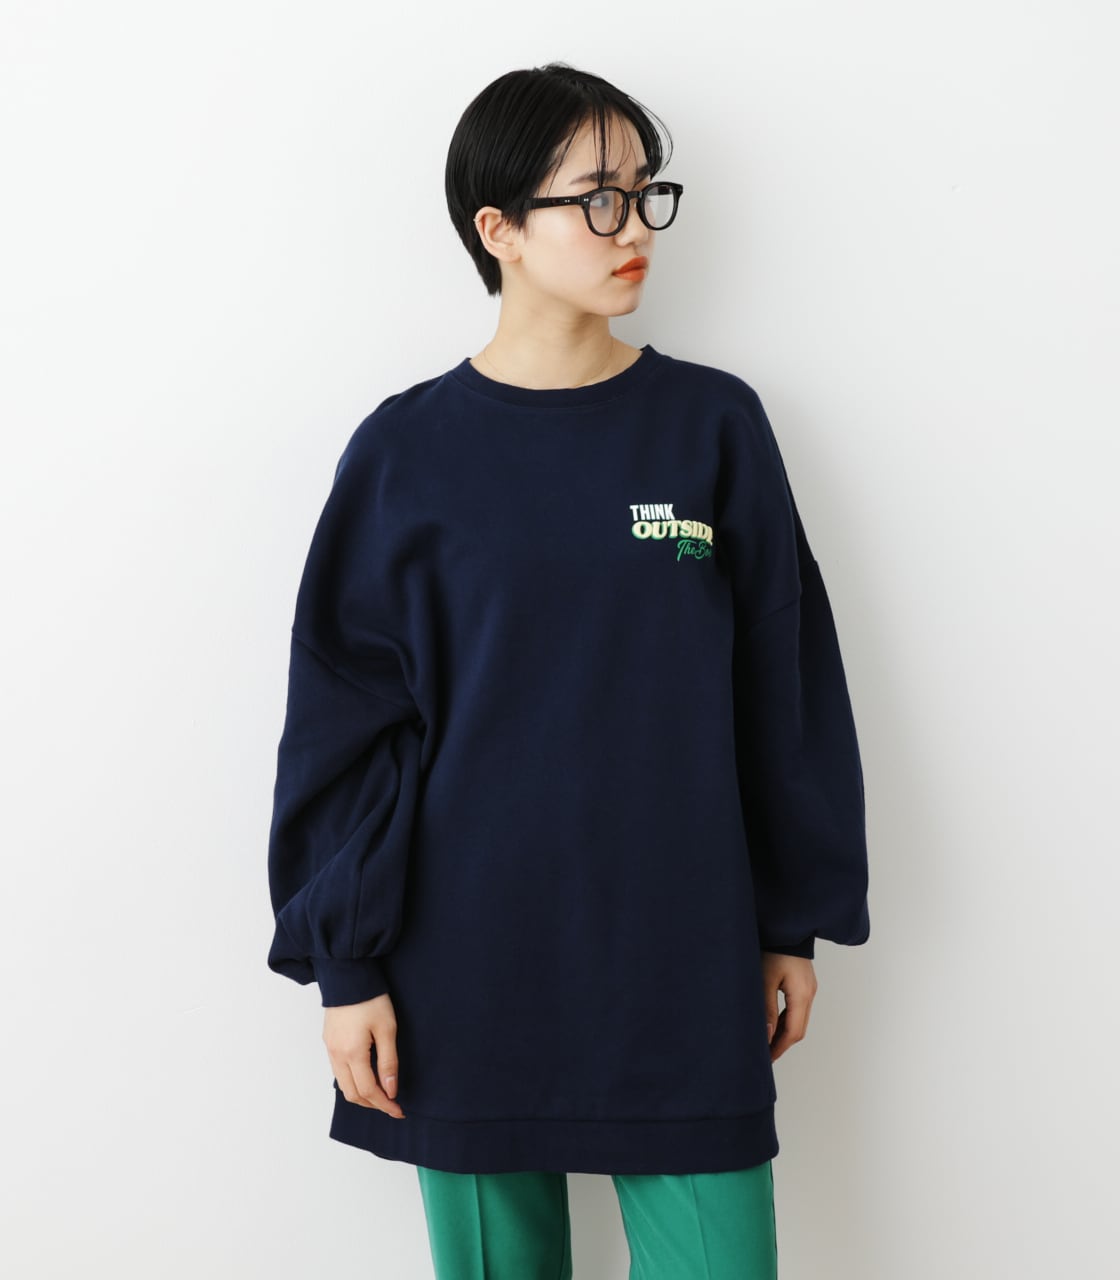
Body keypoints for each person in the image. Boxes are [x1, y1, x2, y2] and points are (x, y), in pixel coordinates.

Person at [266, 61, 870, 1280]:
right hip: (460, 960)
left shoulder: (713, 426)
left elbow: (783, 685)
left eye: (645, 193)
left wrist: (789, 920)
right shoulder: (404, 451)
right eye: (597, 198)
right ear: (497, 229)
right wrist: (347, 964)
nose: (633, 226)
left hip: (681, 947)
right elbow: (345, 723)